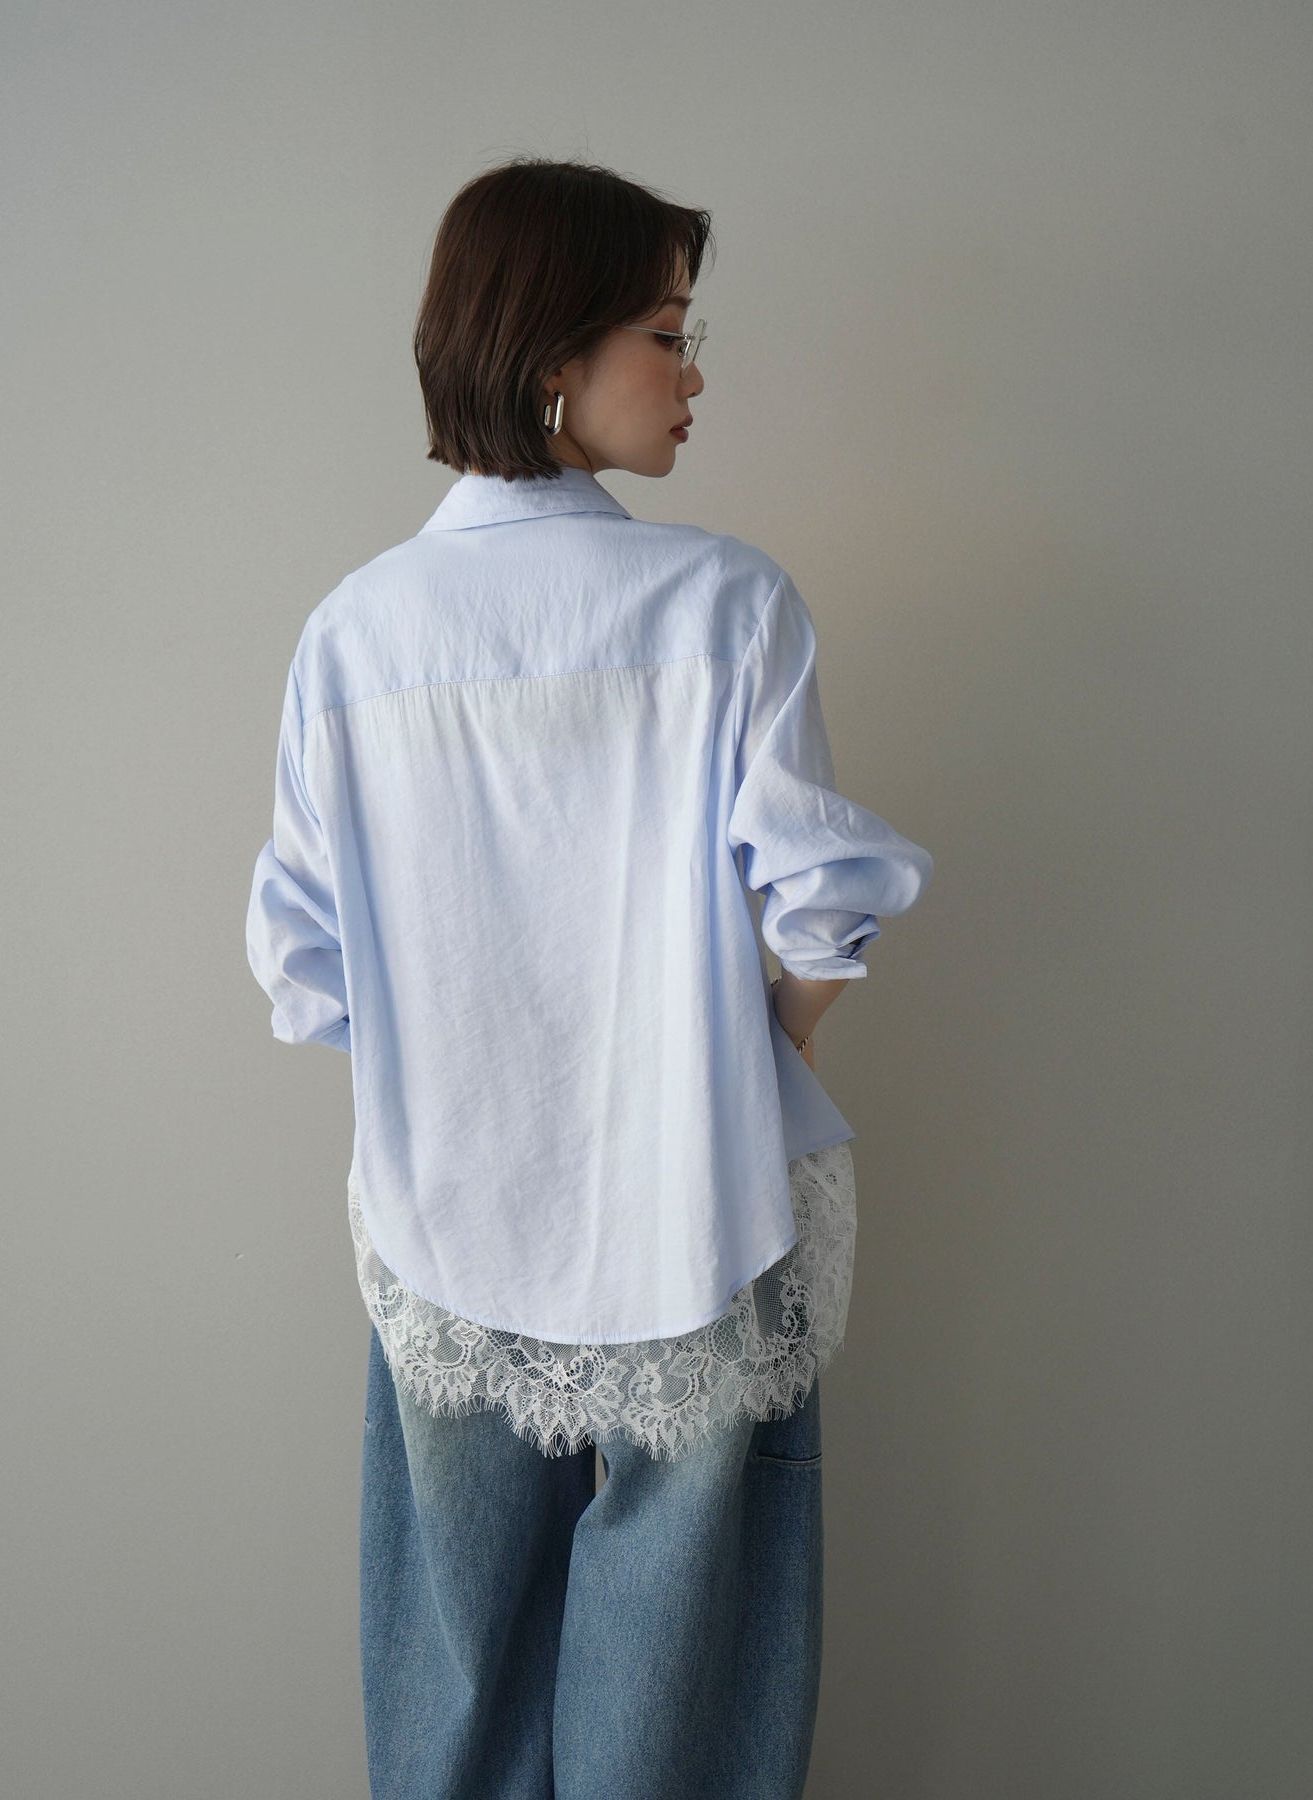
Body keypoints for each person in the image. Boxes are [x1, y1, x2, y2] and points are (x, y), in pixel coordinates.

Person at [245, 156, 933, 1800]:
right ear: (553, 351)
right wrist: (749, 1050)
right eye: (666, 333)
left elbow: (303, 963)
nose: (695, 377)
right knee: (681, 1710)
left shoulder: (354, 635)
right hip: (695, 1216)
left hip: (448, 1232)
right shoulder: (726, 607)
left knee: (459, 1690)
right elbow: (824, 903)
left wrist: (463, 1043)